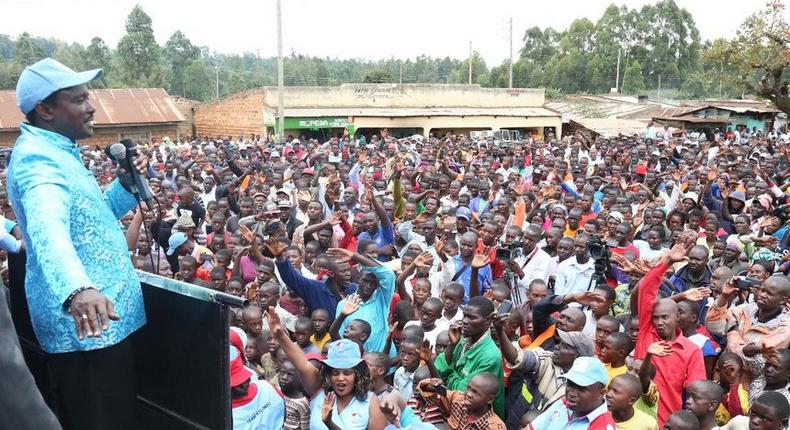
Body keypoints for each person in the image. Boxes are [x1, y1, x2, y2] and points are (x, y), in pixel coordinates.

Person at [7, 58, 150, 429]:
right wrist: (77, 290)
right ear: (46, 110)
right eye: (79, 99)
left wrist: (124, 189)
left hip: (106, 327)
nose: (91, 107)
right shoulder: (39, 161)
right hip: (87, 332)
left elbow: (89, 219)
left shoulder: (58, 152)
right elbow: (47, 228)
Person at [268, 310, 388, 430]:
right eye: (335, 373)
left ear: (357, 374)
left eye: (347, 373)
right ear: (328, 374)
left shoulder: (371, 403)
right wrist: (280, 335)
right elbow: (302, 364)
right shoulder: (318, 390)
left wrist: (329, 423)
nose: (340, 378)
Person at [634, 233, 707, 427]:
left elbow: (697, 392)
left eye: (665, 317)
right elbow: (646, 289)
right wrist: (667, 261)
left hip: (665, 422)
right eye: (656, 317)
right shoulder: (646, 332)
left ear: (677, 318)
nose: (658, 322)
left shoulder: (691, 351)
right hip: (631, 419)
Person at [434, 296, 505, 416]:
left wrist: (448, 376)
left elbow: (462, 394)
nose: (465, 321)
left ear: (487, 321)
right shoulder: (461, 338)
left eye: (472, 318)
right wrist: (451, 345)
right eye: (465, 315)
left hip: (477, 420)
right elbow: (438, 370)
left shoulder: (490, 356)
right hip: (453, 408)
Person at [527, 356, 617, 430]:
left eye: (581, 389)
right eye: (570, 384)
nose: (572, 393)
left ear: (601, 394)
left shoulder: (602, 427)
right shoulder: (564, 403)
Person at [418, 372, 506, 430]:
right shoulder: (458, 400)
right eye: (468, 388)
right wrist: (433, 384)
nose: (468, 394)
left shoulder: (495, 427)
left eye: (475, 393)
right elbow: (427, 392)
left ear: (490, 399)